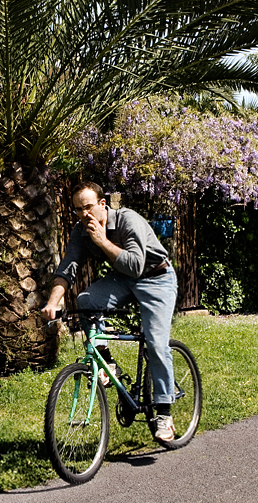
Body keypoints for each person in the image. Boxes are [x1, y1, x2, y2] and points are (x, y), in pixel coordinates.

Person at [41, 182, 179, 444]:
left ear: (102, 204)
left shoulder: (128, 221)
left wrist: (102, 241)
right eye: (78, 209)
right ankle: (107, 362)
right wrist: (52, 302)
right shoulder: (81, 231)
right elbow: (67, 268)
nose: (84, 214)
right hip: (124, 279)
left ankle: (164, 413)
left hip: (156, 277)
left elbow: (136, 265)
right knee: (86, 300)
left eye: (88, 207)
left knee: (156, 343)